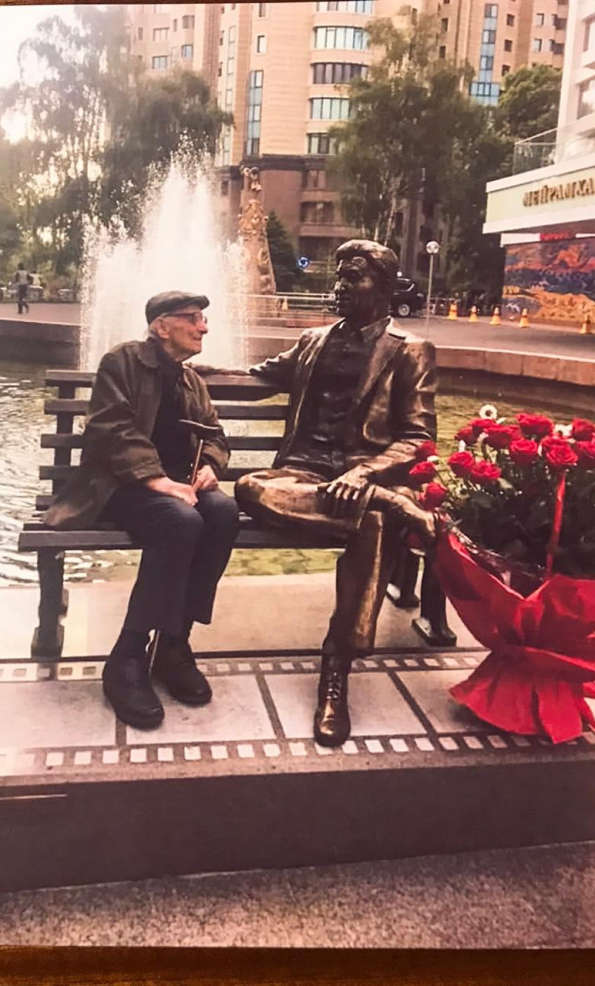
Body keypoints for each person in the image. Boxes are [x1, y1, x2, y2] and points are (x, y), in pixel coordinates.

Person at [235, 239, 437, 748]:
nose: (340, 286)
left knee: (370, 522)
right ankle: (389, 503)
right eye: (339, 276)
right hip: (302, 475)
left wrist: (365, 474)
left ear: (384, 288)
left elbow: (418, 438)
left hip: (361, 475)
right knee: (249, 488)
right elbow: (256, 378)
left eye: (354, 277)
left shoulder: (410, 350)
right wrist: (184, 369)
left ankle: (336, 669)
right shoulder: (313, 340)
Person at [43, 292, 240, 730]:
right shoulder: (122, 362)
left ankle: (173, 645)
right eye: (193, 318)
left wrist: (210, 466)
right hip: (120, 486)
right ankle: (127, 656)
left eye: (204, 319)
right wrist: (158, 481)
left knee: (224, 513)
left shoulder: (191, 381)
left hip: (176, 487)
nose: (204, 327)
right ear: (161, 326)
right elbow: (110, 430)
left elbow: (215, 434)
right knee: (180, 521)